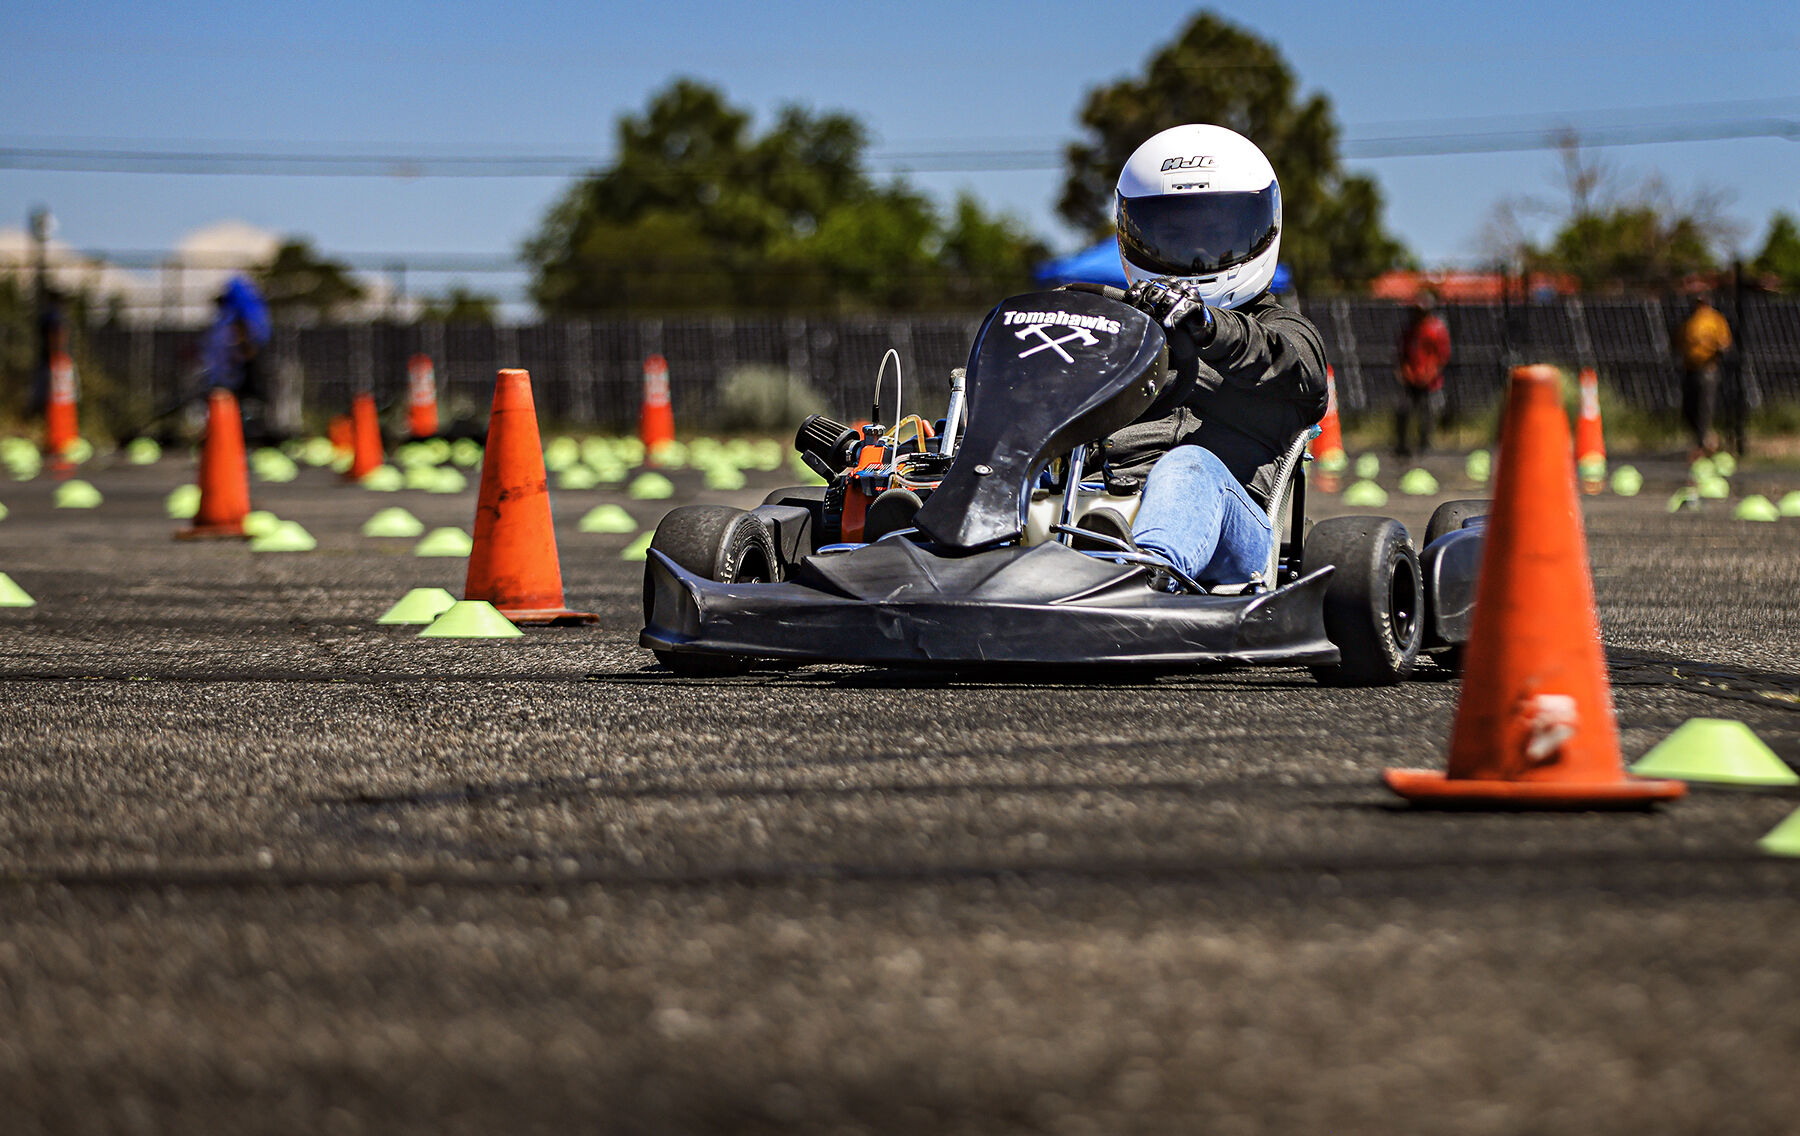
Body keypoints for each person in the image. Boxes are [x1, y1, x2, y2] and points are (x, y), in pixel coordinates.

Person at [1097, 123, 1327, 588]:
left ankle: (1143, 577)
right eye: (1173, 234)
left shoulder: (1281, 330)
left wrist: (1208, 327)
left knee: (1188, 464)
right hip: (1106, 499)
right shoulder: (1118, 330)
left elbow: (1298, 369)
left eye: (1215, 234)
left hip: (1228, 522)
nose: (1196, 255)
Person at [1674, 293, 1731, 457]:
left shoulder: (1715, 320)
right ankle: (1705, 440)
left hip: (1708, 369)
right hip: (1690, 369)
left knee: (1704, 408)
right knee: (1688, 408)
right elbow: (1679, 343)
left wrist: (1712, 349)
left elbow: (1725, 343)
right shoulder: (1689, 321)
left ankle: (1702, 445)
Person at [1394, 294, 1451, 457]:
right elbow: (1402, 353)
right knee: (1403, 410)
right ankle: (1402, 445)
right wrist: (1407, 372)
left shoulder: (1436, 329)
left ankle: (1424, 446)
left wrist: (1429, 374)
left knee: (1427, 413)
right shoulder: (1410, 330)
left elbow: (1441, 355)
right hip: (1411, 379)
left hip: (1429, 380)